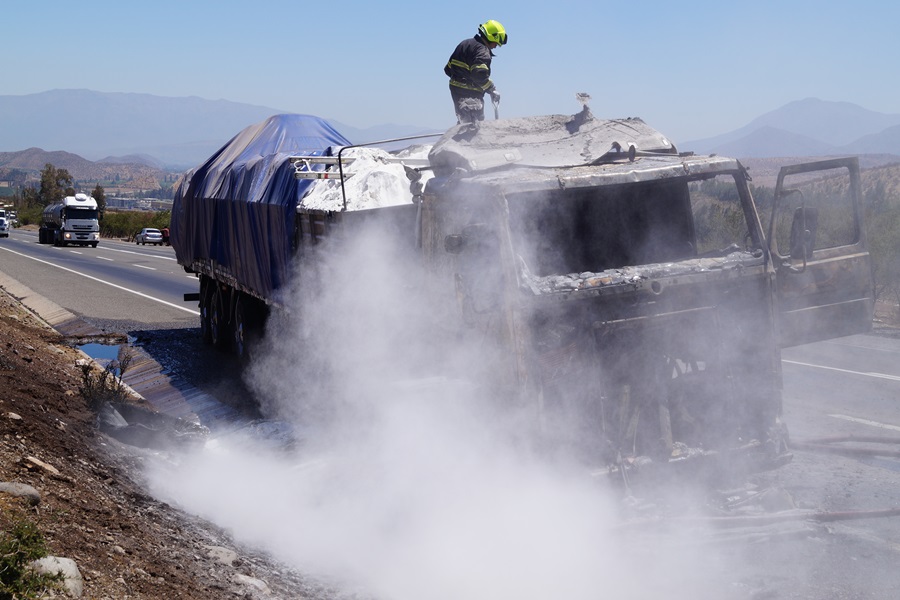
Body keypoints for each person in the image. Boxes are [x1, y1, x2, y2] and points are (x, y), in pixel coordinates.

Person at [444, 20, 508, 124]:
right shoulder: (482, 51)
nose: (496, 46)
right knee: (474, 125)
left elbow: (447, 69)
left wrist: (459, 78)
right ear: (493, 36)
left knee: (465, 122)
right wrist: (491, 89)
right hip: (471, 93)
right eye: (496, 42)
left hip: (455, 90)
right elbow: (479, 74)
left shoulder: (464, 44)